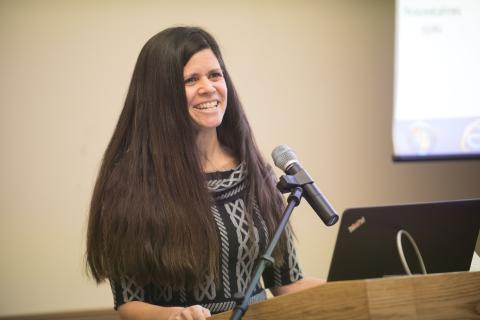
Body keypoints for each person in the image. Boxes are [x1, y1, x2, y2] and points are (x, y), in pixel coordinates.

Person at [86, 26, 322, 320]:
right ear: (160, 95)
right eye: (190, 80)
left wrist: (358, 283)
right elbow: (128, 301)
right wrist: (174, 315)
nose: (209, 87)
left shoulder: (253, 170)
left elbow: (288, 284)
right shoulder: (131, 185)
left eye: (215, 75)